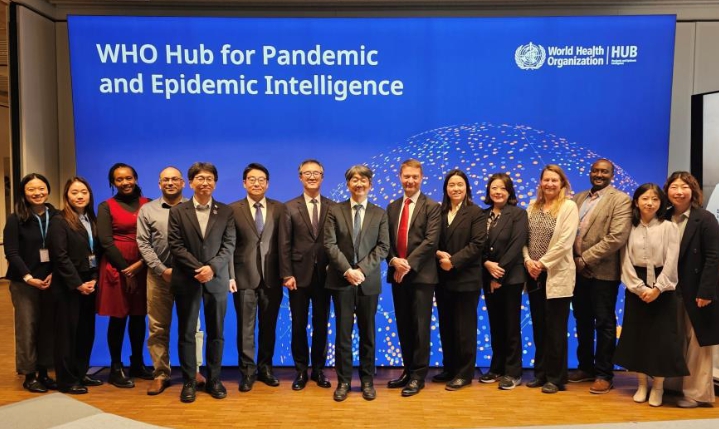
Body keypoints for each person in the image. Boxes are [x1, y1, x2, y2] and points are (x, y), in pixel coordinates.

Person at [168, 162, 236, 403]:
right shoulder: (178, 211)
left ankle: (214, 379)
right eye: (200, 178)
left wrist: (212, 268)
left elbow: (229, 245)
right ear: (190, 183)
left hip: (216, 280)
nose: (205, 182)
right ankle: (189, 381)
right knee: (187, 332)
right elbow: (175, 245)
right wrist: (199, 269)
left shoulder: (226, 211)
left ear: (215, 183)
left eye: (209, 178)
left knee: (216, 332)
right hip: (187, 279)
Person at [614, 183, 687, 407]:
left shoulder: (669, 227)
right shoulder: (629, 226)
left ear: (661, 203)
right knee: (638, 336)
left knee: (662, 339)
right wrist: (639, 288)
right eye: (645, 198)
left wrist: (657, 288)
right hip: (636, 286)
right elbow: (625, 260)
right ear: (636, 202)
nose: (650, 203)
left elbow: (672, 261)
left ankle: (658, 387)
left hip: (663, 289)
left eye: (655, 199)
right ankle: (641, 384)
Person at [136, 167, 207, 395]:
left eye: (175, 179)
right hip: (159, 277)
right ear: (159, 184)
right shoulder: (148, 210)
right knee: (157, 327)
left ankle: (193, 370)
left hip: (189, 277)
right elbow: (143, 243)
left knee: (193, 327)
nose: (170, 183)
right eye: (165, 180)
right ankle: (160, 373)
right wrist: (161, 269)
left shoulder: (194, 207)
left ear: (183, 183)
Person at [324, 165, 389, 402]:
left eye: (363, 180)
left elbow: (383, 246)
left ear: (370, 184)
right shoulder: (335, 210)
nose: (359, 184)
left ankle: (367, 381)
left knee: (367, 334)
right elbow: (330, 244)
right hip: (341, 281)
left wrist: (361, 270)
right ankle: (343, 381)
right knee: (343, 334)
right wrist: (347, 271)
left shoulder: (379, 213)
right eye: (354, 180)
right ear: (348, 184)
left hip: (367, 282)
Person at [569, 159, 632, 394]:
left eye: (604, 171)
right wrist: (575, 262)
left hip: (603, 272)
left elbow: (616, 237)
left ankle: (604, 373)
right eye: (595, 170)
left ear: (611, 175)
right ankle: (585, 367)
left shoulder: (620, 200)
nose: (599, 174)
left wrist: (584, 259)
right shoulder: (578, 198)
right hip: (577, 271)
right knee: (582, 320)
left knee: (604, 323)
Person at [385, 159, 441, 397]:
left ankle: (418, 376)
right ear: (400, 177)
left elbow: (431, 241)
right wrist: (393, 261)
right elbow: (385, 240)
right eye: (406, 176)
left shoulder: (432, 206)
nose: (410, 181)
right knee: (404, 325)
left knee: (420, 327)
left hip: (421, 276)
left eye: (415, 177)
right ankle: (407, 370)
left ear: (421, 178)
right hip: (397, 275)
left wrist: (405, 264)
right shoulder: (392, 207)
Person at [230, 163, 287, 392]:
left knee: (268, 326)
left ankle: (265, 369)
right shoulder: (233, 209)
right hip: (243, 277)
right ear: (244, 183)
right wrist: (230, 276)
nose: (257, 183)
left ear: (268, 184)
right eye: (252, 179)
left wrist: (286, 273)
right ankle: (247, 372)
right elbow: (229, 246)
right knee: (245, 328)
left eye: (261, 179)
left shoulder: (279, 208)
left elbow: (285, 244)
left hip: (272, 277)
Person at [664, 172, 719, 408]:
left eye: (684, 187)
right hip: (669, 290)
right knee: (674, 338)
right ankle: (674, 385)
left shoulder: (705, 218)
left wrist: (706, 292)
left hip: (697, 290)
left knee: (697, 342)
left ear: (693, 190)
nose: (679, 191)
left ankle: (697, 393)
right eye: (674, 187)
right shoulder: (664, 217)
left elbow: (714, 257)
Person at [523, 164, 579, 394]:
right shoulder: (532, 206)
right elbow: (523, 238)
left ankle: (556, 378)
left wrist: (542, 263)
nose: (549, 184)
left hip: (556, 274)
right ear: (540, 182)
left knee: (555, 328)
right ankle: (541, 373)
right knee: (539, 327)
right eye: (546, 180)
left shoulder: (569, 207)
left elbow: (565, 242)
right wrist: (528, 261)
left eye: (554, 180)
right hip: (533, 275)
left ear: (562, 183)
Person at [96, 163, 152, 388]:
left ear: (135, 178)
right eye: (119, 179)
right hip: (116, 267)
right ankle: (116, 367)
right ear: (113, 183)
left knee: (139, 317)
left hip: (143, 264)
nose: (125, 182)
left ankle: (137, 363)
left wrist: (139, 265)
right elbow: (105, 242)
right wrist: (125, 270)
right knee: (118, 318)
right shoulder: (105, 206)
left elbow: (155, 237)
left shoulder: (148, 203)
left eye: (128, 177)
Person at [280, 160, 333, 391]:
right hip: (297, 277)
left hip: (325, 276)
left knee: (321, 325)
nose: (312, 177)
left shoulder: (333, 206)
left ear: (322, 176)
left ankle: (319, 369)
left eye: (316, 173)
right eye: (307, 173)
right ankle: (301, 370)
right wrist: (286, 274)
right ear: (300, 177)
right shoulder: (289, 207)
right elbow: (284, 244)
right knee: (299, 324)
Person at [47, 177, 101, 394]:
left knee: (85, 332)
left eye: (84, 192)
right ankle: (66, 381)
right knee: (67, 335)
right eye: (74, 192)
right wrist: (78, 284)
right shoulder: (59, 221)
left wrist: (94, 279)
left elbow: (96, 253)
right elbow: (60, 257)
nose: (80, 196)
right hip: (68, 286)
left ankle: (80, 373)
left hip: (90, 283)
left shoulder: (91, 219)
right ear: (66, 196)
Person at [4, 173, 57, 393]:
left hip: (50, 281)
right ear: (23, 193)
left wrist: (54, 273)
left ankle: (44, 372)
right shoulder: (16, 218)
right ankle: (29, 375)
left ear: (48, 190)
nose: (37, 193)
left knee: (47, 328)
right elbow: (11, 252)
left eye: (41, 188)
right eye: (31, 189)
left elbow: (61, 248)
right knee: (27, 328)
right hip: (24, 282)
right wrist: (28, 277)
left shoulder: (56, 216)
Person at [434, 169, 486, 391]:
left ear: (467, 188)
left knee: (465, 328)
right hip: (442, 279)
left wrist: (453, 261)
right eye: (451, 185)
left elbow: (478, 244)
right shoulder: (439, 212)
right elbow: (431, 240)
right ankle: (450, 368)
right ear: (446, 188)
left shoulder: (475, 212)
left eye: (459, 184)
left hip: (466, 279)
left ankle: (464, 373)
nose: (455, 188)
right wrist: (438, 254)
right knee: (446, 325)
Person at [481, 172, 528, 390]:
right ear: (488, 191)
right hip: (488, 277)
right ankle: (497, 367)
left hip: (510, 278)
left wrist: (497, 274)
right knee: (496, 325)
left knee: (510, 326)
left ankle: (513, 371)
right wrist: (486, 266)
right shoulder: (482, 215)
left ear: (509, 192)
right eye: (494, 188)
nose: (498, 192)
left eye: (502, 188)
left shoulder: (518, 214)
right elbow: (477, 245)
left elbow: (516, 245)